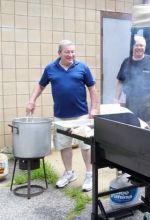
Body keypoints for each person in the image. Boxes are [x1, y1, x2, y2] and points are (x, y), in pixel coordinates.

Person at [26, 40, 98, 191]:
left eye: (73, 51)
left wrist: (94, 109)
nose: (71, 54)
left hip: (81, 115)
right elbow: (40, 86)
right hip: (60, 115)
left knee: (86, 146)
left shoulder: (83, 67)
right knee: (64, 146)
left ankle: (90, 174)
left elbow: (92, 88)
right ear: (59, 53)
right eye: (67, 52)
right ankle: (69, 173)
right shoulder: (50, 68)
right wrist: (32, 101)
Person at [115, 35, 150, 126]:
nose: (139, 47)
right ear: (133, 47)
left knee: (145, 127)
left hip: (147, 100)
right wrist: (116, 99)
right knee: (131, 125)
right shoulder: (126, 62)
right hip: (131, 100)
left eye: (141, 45)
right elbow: (120, 82)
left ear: (145, 47)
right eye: (136, 45)